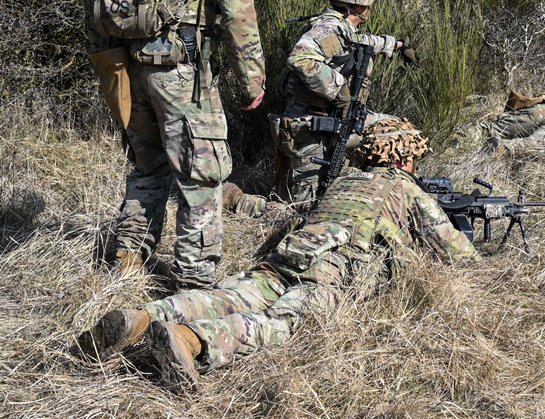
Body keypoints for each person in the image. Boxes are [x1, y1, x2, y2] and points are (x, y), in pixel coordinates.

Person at [78, 118, 476, 392]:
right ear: (406, 159)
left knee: (228, 296)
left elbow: (291, 213)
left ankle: (141, 317)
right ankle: (190, 340)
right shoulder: (406, 190)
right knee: (282, 322)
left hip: (291, 254)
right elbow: (458, 254)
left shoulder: (343, 182)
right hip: (335, 267)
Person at [85, 0, 266, 289]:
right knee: (202, 176)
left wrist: (108, 61)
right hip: (178, 67)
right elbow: (238, 9)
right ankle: (193, 284)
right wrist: (252, 80)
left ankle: (127, 261)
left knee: (148, 166)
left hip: (124, 61)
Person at [270, 0, 417, 205]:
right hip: (311, 130)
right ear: (361, 4)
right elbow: (300, 59)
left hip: (334, 123)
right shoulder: (329, 28)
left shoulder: (342, 28)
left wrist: (397, 45)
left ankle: (390, 201)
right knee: (305, 208)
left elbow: (364, 41)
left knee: (402, 133)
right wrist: (339, 90)